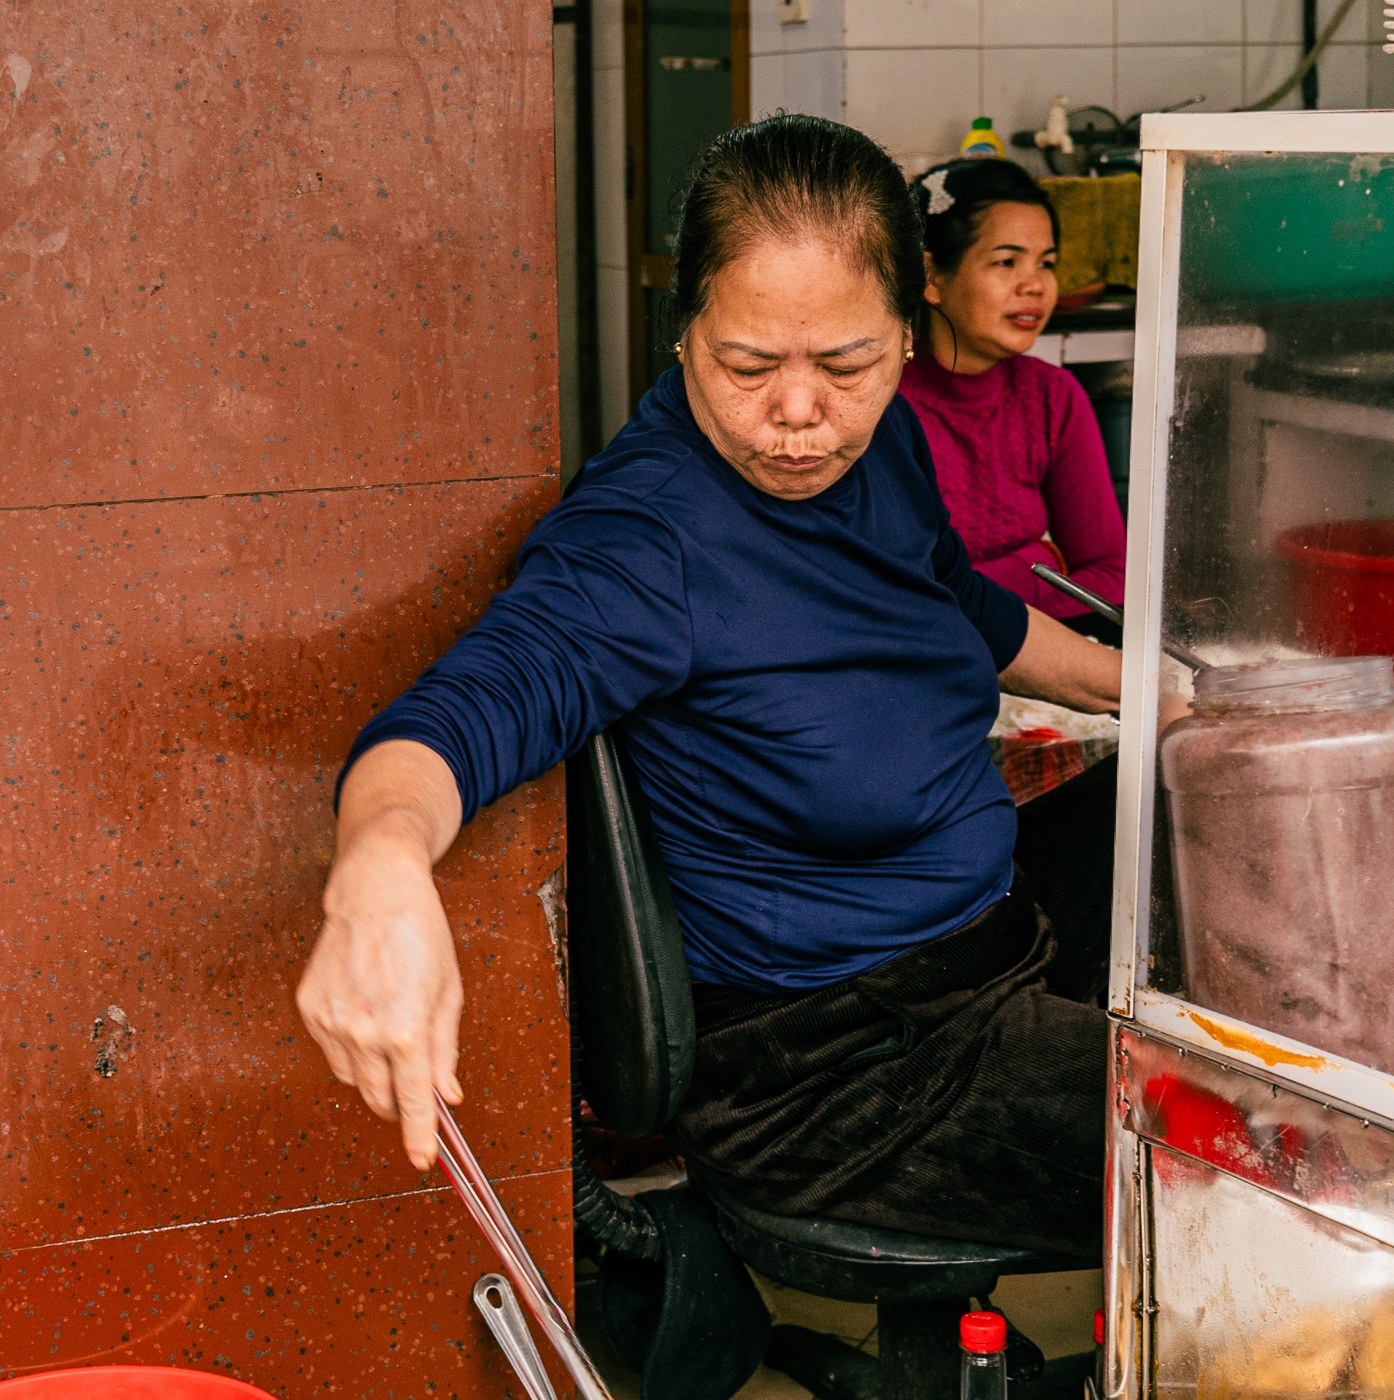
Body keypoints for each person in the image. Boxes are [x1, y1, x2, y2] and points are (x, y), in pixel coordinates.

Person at [296, 114, 1124, 1263]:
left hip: (988, 936)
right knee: (1231, 1141)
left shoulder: (878, 443)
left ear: (906, 331)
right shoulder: (647, 540)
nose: (796, 414)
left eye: (846, 365)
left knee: (1190, 800)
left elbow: (960, 606)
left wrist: (1163, 695)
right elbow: (463, 714)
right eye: (746, 366)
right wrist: (379, 865)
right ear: (685, 336)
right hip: (837, 1067)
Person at [902, 158, 1126, 646]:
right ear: (931, 276)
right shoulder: (880, 404)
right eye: (1006, 262)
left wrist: (977, 592)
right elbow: (895, 601)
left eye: (1045, 262)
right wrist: (1037, 565)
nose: (1036, 285)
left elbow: (1113, 576)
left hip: (1030, 666)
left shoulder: (1053, 397)